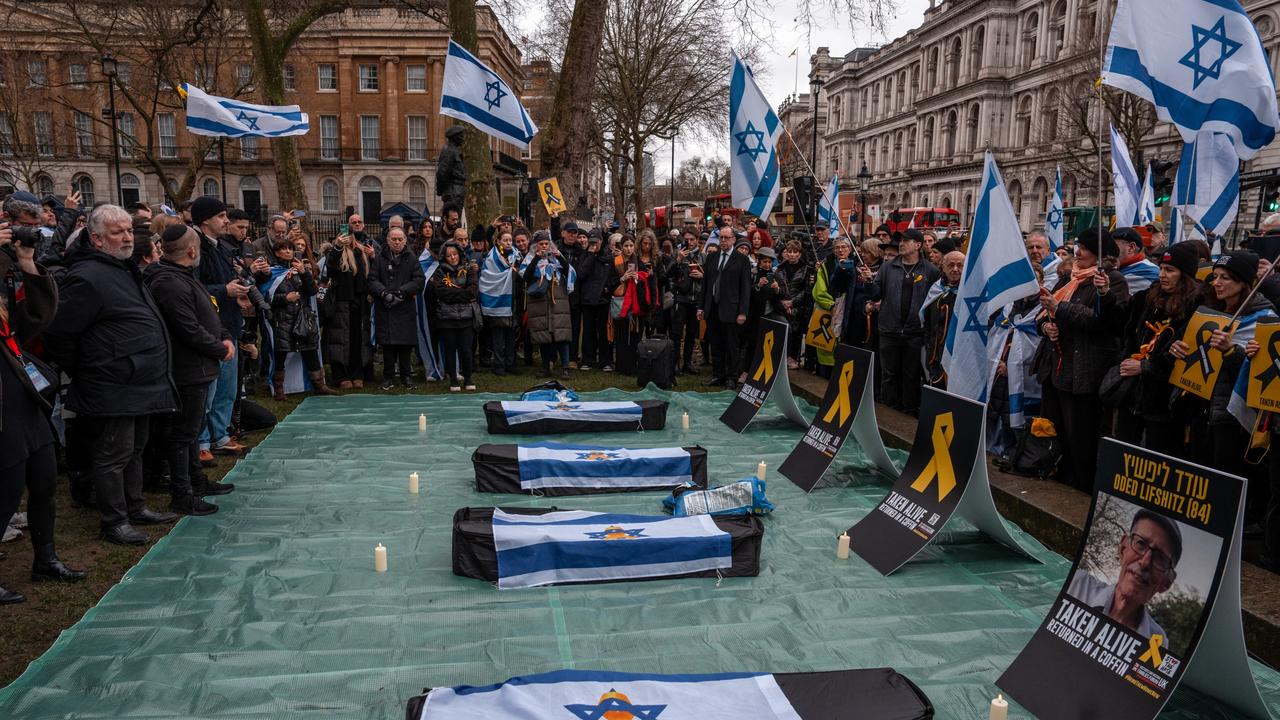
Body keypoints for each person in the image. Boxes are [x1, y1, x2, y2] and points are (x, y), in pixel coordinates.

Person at [43, 205, 179, 545]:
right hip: (112, 380)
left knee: (135, 448)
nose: (127, 237)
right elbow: (60, 333)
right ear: (97, 239)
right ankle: (113, 520)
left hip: (139, 380)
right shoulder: (87, 275)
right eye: (117, 232)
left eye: (129, 230)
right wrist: (89, 367)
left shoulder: (122, 268)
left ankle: (135, 507)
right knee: (112, 453)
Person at [0, 225, 86, 603]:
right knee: (4, 493)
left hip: (21, 393)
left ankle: (45, 559)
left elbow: (33, 317)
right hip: (4, 403)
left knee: (44, 481)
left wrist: (26, 262)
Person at [142, 225, 231, 516]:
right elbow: (188, 328)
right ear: (192, 251)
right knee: (183, 434)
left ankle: (196, 481)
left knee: (192, 431)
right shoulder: (168, 282)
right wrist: (220, 348)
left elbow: (208, 313)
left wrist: (224, 335)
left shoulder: (182, 277)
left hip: (198, 366)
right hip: (187, 368)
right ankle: (182, 493)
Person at [1037, 228, 1128, 492]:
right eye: (1078, 246)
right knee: (1056, 433)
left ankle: (1081, 489)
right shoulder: (1069, 277)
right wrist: (1046, 326)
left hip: (1084, 374)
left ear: (1099, 254)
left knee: (1081, 439)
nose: (1078, 252)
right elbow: (1045, 311)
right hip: (1057, 370)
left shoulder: (1112, 281)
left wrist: (1060, 309)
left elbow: (1103, 321)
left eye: (1085, 248)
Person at [1109, 243, 1201, 458]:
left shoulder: (1197, 307)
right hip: (1133, 391)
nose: (1162, 275)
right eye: (1161, 269)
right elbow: (1121, 326)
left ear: (1185, 274)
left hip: (1164, 400)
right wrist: (1104, 294)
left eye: (1170, 270)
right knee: (1124, 453)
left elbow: (1183, 353)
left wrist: (1145, 367)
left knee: (1158, 457)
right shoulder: (1146, 298)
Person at [189, 196, 249, 463]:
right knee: (210, 391)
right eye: (222, 216)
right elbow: (193, 289)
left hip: (230, 322)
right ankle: (202, 440)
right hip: (209, 328)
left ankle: (220, 435)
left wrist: (238, 293)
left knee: (227, 388)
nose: (227, 221)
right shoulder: (194, 249)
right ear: (205, 221)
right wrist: (224, 290)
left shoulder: (223, 247)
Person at [1067, 509, 1180, 642]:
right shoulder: (1077, 585)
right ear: (1122, 549)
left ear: (1166, 583)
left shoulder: (1157, 642)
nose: (1145, 562)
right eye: (1141, 544)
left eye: (1160, 558)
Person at [866, 228, 940, 415]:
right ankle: (888, 411)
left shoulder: (930, 270)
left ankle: (908, 411)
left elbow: (934, 302)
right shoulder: (888, 267)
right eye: (900, 240)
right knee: (888, 374)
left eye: (906, 241)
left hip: (915, 332)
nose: (901, 244)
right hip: (889, 330)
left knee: (911, 375)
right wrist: (869, 282)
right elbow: (876, 294)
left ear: (918, 245)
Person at [265, 237, 337, 400]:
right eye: (284, 249)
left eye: (290, 248)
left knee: (310, 350)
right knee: (281, 354)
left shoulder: (300, 270)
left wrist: (304, 273)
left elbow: (312, 291)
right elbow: (266, 299)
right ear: (277, 252)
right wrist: (285, 298)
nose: (288, 251)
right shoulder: (271, 273)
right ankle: (279, 390)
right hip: (283, 320)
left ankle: (319, 385)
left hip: (302, 318)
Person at [369, 227, 426, 389]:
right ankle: (387, 377)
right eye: (393, 239)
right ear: (387, 240)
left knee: (405, 345)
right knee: (387, 346)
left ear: (405, 240)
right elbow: (372, 280)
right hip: (385, 307)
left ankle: (406, 376)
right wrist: (384, 293)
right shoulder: (380, 259)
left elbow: (419, 280)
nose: (397, 242)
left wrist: (402, 292)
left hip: (404, 307)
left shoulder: (412, 259)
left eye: (400, 239)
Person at [699, 225, 752, 389]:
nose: (723, 241)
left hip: (731, 309)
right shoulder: (712, 258)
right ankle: (718, 374)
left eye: (726, 238)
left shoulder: (741, 259)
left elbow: (745, 288)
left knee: (731, 345)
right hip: (713, 308)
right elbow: (706, 285)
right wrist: (701, 307)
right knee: (716, 344)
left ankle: (731, 376)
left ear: (733, 240)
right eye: (721, 237)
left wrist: (743, 312)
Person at [322, 229, 371, 388]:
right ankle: (340, 375)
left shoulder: (361, 252)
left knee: (357, 339)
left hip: (359, 302)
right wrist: (337, 247)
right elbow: (330, 269)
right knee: (340, 339)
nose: (347, 238)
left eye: (349, 235)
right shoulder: (335, 252)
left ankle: (357, 372)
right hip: (341, 302)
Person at [524, 231, 574, 378]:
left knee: (561, 334)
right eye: (541, 244)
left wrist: (559, 256)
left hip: (558, 300)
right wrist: (536, 260)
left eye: (547, 244)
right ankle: (545, 367)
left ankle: (565, 368)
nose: (544, 247)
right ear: (536, 246)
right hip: (539, 302)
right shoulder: (530, 258)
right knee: (543, 335)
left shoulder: (557, 257)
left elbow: (569, 272)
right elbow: (526, 276)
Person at [430, 242, 480, 391]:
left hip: (466, 317)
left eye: (455, 254)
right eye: (449, 255)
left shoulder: (469, 269)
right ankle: (453, 379)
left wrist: (454, 294)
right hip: (447, 318)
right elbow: (441, 292)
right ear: (444, 257)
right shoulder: (439, 272)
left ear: (460, 254)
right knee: (450, 349)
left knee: (466, 349)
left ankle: (468, 378)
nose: (453, 258)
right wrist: (461, 293)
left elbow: (472, 291)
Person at [574, 229, 617, 371]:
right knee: (588, 331)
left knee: (604, 331)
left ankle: (605, 361)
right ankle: (588, 359)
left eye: (596, 242)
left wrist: (607, 288)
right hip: (587, 300)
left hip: (603, 300)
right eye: (591, 242)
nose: (594, 245)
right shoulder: (584, 255)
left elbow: (613, 277)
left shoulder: (608, 257)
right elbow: (581, 274)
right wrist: (591, 255)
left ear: (601, 241)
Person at [921, 250, 964, 388]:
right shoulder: (936, 289)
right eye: (951, 265)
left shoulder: (971, 293)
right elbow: (927, 321)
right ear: (943, 267)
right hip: (935, 353)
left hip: (959, 356)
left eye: (960, 265)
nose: (955, 269)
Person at [1113, 227, 1161, 295]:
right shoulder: (1117, 268)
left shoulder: (1150, 272)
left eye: (1113, 247)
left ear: (1131, 248)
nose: (1108, 252)